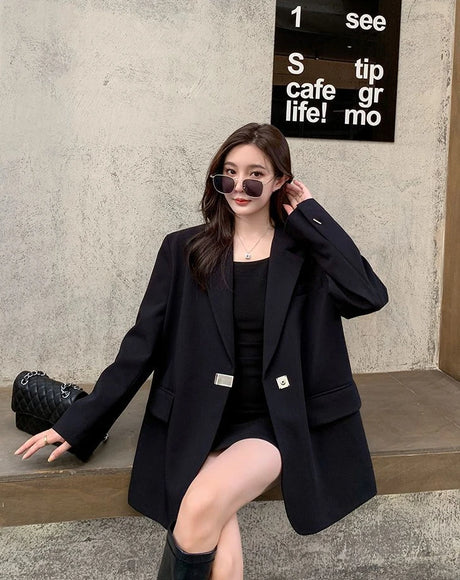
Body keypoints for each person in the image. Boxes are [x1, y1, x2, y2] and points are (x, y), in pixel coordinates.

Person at [15, 123, 388, 579]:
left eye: (255, 175)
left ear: (280, 181)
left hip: (270, 423)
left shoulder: (307, 254)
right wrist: (79, 421)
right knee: (218, 546)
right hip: (197, 419)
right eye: (229, 173)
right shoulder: (185, 249)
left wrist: (311, 215)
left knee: (199, 507)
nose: (239, 186)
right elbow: (142, 345)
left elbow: (368, 295)